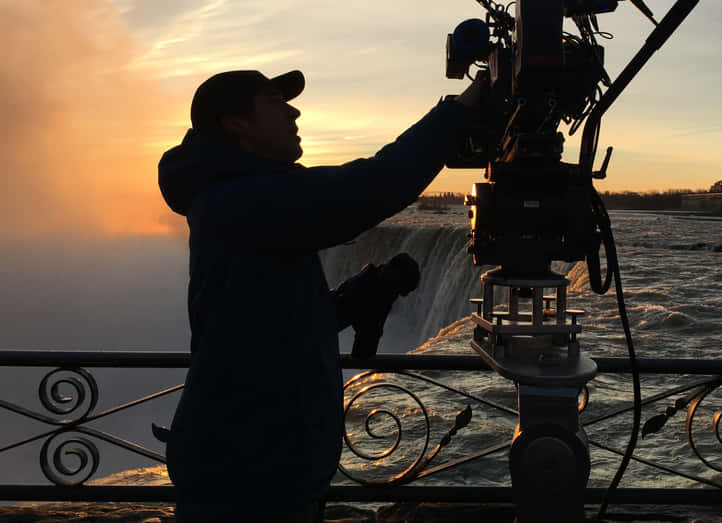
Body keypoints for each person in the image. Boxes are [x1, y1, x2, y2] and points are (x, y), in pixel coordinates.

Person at [157, 68, 484, 522]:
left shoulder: (234, 198)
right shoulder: (245, 200)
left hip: (252, 458)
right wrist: (457, 112)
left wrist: (363, 293)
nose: (294, 110)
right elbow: (374, 185)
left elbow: (267, 322)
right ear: (237, 124)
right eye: (276, 101)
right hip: (248, 472)